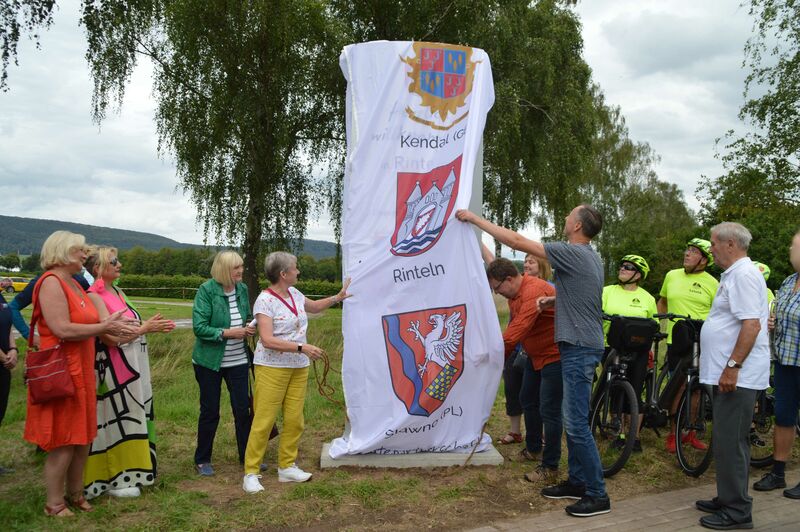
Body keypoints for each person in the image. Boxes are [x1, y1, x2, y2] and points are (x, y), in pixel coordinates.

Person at [456, 204, 610, 518]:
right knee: (572, 421)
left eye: (570, 215)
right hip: (579, 345)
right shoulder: (591, 256)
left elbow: (515, 240)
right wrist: (553, 299)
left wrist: (474, 219)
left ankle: (597, 494)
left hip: (578, 348)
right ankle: (577, 481)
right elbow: (584, 295)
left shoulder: (572, 252)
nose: (565, 217)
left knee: (576, 424)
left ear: (577, 226)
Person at [24, 231, 138, 517]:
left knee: (82, 438)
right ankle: (54, 503)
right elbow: (61, 329)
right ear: (62, 252)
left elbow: (88, 322)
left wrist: (108, 324)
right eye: (80, 250)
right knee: (63, 441)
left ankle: (76, 493)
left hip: (81, 371)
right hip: (62, 372)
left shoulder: (73, 283)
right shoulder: (51, 282)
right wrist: (103, 327)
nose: (85, 254)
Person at [242, 251, 351, 492]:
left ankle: (287, 467)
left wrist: (338, 297)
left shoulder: (295, 293)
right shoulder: (264, 301)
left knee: (294, 420)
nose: (298, 271)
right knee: (263, 421)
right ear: (283, 274)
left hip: (298, 368)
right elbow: (267, 339)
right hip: (271, 368)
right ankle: (251, 472)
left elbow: (314, 307)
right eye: (295, 268)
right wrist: (302, 347)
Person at [82, 246, 175, 499]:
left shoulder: (117, 291)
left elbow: (130, 326)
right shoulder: (94, 296)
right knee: (117, 418)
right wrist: (145, 329)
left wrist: (149, 327)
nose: (119, 265)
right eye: (114, 261)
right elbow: (110, 337)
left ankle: (137, 470)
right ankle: (115, 477)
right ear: (98, 268)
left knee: (135, 414)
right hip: (113, 367)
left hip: (134, 362)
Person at [694, 222, 770, 530]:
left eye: (713, 243)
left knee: (732, 442)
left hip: (739, 375)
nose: (710, 248)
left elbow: (751, 325)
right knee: (726, 440)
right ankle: (727, 497)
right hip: (731, 373)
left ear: (730, 244)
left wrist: (733, 366)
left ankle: (738, 510)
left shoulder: (744, 275)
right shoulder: (734, 274)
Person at [484, 258, 562, 484]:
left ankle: (550, 466)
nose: (497, 293)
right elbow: (513, 329)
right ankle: (534, 449)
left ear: (509, 279)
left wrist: (490, 362)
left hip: (554, 356)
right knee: (527, 399)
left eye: (497, 288)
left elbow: (516, 331)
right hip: (534, 356)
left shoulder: (533, 291)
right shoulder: (514, 295)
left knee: (550, 410)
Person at [192, 250, 256, 476]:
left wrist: (250, 326)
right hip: (209, 363)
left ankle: (247, 457)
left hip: (238, 360)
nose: (241, 270)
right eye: (236, 267)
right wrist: (229, 333)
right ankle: (202, 459)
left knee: (242, 410)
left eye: (241, 266)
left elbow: (247, 316)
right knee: (210, 411)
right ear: (224, 270)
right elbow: (199, 328)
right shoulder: (206, 290)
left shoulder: (242, 289)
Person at [657, 238, 718, 453]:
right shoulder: (672, 275)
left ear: (704, 260)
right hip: (677, 341)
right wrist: (661, 324)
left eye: (693, 251)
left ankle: (690, 433)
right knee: (679, 387)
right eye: (687, 249)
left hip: (703, 341)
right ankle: (673, 433)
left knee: (697, 390)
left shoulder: (713, 283)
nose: (687, 253)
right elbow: (662, 301)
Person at [752, 231, 800, 498]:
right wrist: (773, 322)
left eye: (795, 246)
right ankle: (778, 473)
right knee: (783, 417)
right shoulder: (789, 281)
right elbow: (779, 313)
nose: (791, 250)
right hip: (785, 361)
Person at [601, 255, 657, 452]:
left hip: (638, 350)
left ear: (638, 275)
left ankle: (634, 436)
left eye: (629, 267)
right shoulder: (607, 291)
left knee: (635, 390)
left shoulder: (648, 298)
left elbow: (653, 326)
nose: (622, 269)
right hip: (611, 347)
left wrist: (650, 350)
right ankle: (617, 430)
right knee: (614, 389)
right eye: (622, 265)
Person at [9, 272, 91, 341]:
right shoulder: (41, 281)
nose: (83, 258)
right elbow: (13, 307)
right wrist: (29, 336)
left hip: (82, 343)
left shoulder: (80, 280)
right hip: (52, 347)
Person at [1, 287, 19, 475]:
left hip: (3, 365)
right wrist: (3, 356)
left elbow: (7, 325)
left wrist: (13, 349)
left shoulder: (1, 296)